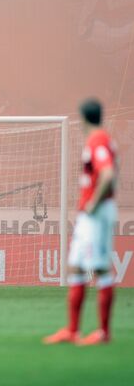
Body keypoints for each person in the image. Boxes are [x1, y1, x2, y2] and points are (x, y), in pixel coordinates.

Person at [44, 99, 118, 346]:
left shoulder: (98, 141)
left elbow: (107, 173)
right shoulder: (99, 139)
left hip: (96, 213)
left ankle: (103, 333)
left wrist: (94, 203)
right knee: (76, 267)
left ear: (83, 118)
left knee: (99, 269)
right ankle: (73, 330)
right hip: (89, 215)